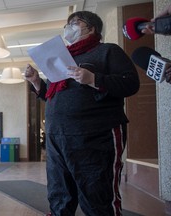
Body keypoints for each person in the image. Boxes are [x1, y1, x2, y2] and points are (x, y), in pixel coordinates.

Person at [25, 11, 140, 216]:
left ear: (91, 28)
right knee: (59, 197)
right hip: (57, 138)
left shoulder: (107, 51)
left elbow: (130, 84)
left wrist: (94, 79)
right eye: (67, 24)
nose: (69, 27)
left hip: (95, 136)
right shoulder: (61, 57)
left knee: (97, 197)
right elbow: (54, 96)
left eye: (74, 23)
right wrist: (36, 82)